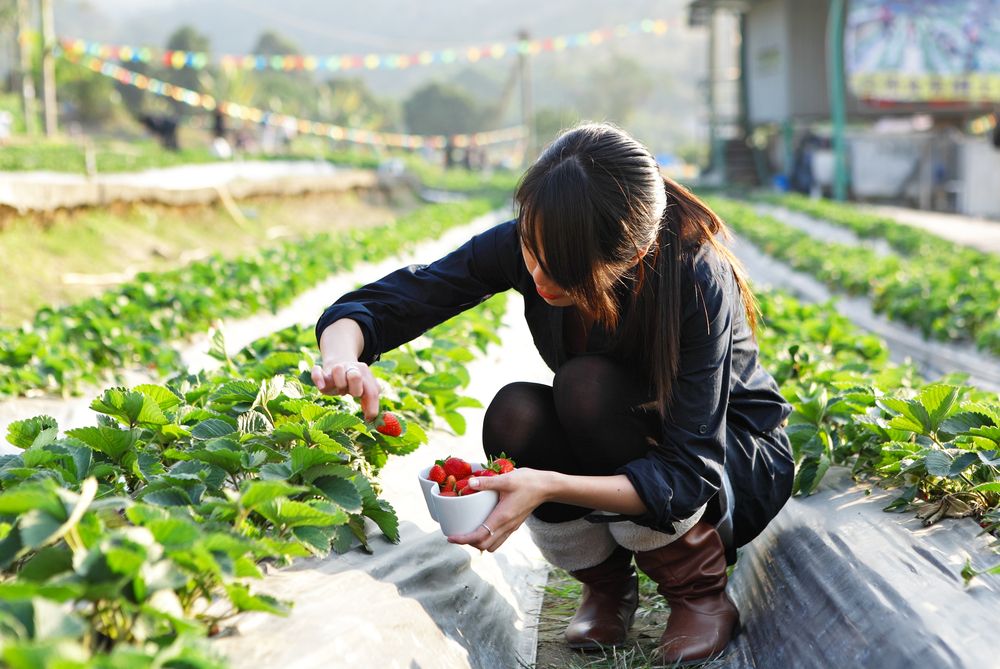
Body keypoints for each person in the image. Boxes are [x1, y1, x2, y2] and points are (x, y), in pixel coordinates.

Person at [312, 123, 794, 665]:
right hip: (633, 444)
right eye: (531, 253)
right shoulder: (539, 240)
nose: (538, 275)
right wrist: (342, 358)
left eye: (562, 270)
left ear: (632, 255)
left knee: (585, 387)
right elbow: (396, 300)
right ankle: (607, 587)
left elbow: (689, 473)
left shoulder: (691, 274)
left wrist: (547, 485)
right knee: (515, 415)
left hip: (728, 461)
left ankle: (697, 592)